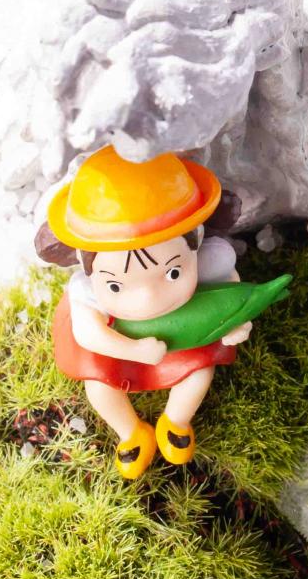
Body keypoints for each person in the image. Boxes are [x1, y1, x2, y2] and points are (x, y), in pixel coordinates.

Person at [34, 145, 250, 479]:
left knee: (199, 374)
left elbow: (231, 297)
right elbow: (88, 333)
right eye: (116, 285)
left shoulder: (211, 262)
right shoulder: (87, 293)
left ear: (195, 243)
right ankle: (131, 432)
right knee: (99, 389)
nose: (148, 299)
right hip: (119, 342)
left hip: (183, 334)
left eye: (173, 272)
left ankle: (176, 421)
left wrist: (236, 323)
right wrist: (132, 350)